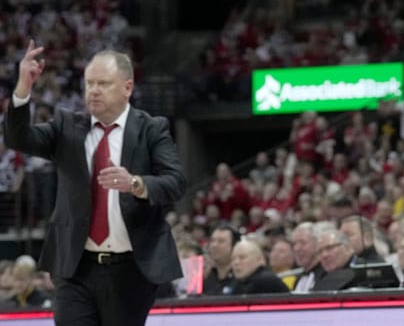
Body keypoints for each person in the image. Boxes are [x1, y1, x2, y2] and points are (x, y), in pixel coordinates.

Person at [4, 42, 187, 326]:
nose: (94, 90)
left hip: (130, 269)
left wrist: (137, 183)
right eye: (89, 83)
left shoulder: (152, 128)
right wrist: (23, 89)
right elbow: (18, 139)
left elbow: (176, 182)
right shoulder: (66, 126)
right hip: (76, 268)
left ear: (127, 88)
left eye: (103, 83)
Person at [203, 224, 239, 295]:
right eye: (212, 241)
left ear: (234, 246)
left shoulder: (241, 278)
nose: (214, 245)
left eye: (221, 241)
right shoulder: (206, 278)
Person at [290, 222, 325, 292]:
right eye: (294, 244)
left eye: (303, 243)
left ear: (317, 244)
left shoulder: (327, 276)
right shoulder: (299, 279)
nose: (297, 248)